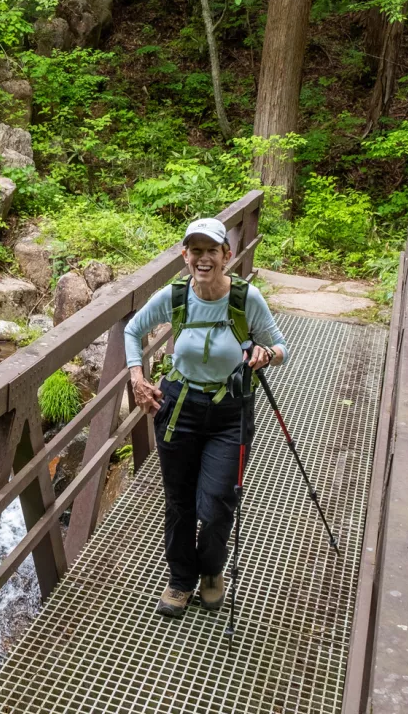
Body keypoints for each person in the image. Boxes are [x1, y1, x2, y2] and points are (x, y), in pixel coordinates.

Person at [124, 217, 287, 618]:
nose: (203, 258)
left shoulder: (247, 299)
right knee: (179, 503)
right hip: (179, 407)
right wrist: (137, 376)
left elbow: (281, 345)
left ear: (226, 255)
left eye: (211, 250)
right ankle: (181, 579)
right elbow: (132, 329)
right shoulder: (175, 296)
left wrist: (267, 355)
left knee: (217, 503)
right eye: (195, 251)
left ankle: (212, 572)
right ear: (185, 256)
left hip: (231, 411)